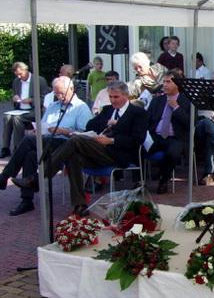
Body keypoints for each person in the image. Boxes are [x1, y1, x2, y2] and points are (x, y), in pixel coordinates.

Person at [15, 81, 148, 217]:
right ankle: (80, 205)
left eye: (116, 97)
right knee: (73, 156)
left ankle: (38, 178)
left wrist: (111, 140)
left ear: (126, 95)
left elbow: (138, 140)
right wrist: (106, 122)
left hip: (119, 154)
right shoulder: (108, 110)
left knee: (75, 140)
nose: (113, 100)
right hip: (98, 149)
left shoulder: (137, 113)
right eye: (110, 97)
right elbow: (89, 126)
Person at [0, 77, 92, 216]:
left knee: (28, 141)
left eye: (62, 93)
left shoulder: (81, 107)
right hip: (48, 141)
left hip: (66, 143)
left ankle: (5, 176)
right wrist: (37, 130)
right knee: (30, 155)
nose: (59, 97)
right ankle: (26, 200)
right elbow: (43, 125)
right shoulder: (53, 106)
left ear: (71, 89)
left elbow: (85, 134)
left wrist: (64, 131)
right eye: (56, 93)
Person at [146, 69, 191, 194]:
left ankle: (163, 180)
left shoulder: (187, 101)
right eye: (164, 82)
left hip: (176, 137)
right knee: (137, 146)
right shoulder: (157, 100)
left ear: (177, 84)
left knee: (172, 153)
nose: (165, 85)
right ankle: (140, 180)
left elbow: (190, 123)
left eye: (168, 82)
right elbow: (147, 120)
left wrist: (176, 107)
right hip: (156, 136)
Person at [1, 62, 49, 158]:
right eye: (17, 74)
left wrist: (31, 100)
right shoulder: (16, 81)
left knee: (16, 118)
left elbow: (45, 98)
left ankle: (18, 148)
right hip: (20, 110)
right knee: (7, 117)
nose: (19, 77)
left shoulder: (39, 80)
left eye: (20, 74)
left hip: (33, 111)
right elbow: (15, 96)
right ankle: (5, 148)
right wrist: (14, 98)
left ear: (26, 70)